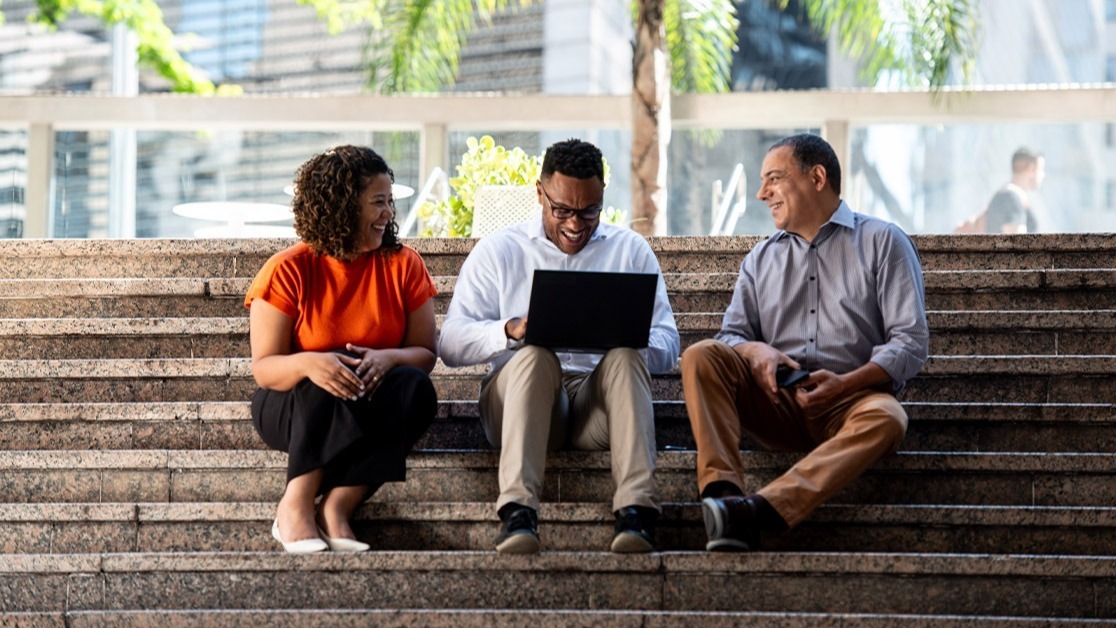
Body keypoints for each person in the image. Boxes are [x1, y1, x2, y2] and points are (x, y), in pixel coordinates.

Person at [681, 133, 928, 551]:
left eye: (774, 179)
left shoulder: (883, 241)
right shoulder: (760, 259)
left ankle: (757, 511)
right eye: (762, 182)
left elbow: (910, 341)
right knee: (702, 355)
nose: (762, 194)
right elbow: (731, 336)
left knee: (889, 419)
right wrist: (755, 350)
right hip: (775, 400)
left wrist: (847, 384)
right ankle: (722, 496)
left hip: (851, 402)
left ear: (817, 177)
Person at [439, 138, 680, 554]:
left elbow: (669, 343)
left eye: (589, 211)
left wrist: (626, 337)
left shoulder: (630, 250)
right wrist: (510, 330)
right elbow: (451, 343)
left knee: (624, 357)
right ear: (539, 193)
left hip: (595, 407)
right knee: (534, 355)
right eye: (562, 210)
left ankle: (636, 513)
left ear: (603, 195)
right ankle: (518, 512)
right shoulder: (499, 250)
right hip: (520, 403)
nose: (575, 224)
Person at [246, 145, 438, 553]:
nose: (389, 213)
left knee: (414, 388)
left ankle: (336, 508)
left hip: (372, 398)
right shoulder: (288, 268)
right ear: (342, 206)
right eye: (378, 203)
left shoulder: (405, 265)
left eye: (391, 202)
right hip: (294, 406)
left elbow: (424, 353)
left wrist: (389, 359)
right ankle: (295, 504)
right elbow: (265, 370)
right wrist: (312, 363)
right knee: (322, 381)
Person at [984, 147, 1044, 234]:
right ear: (1030, 169)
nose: (1043, 175)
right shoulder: (1010, 198)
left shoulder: (1010, 196)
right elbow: (1017, 243)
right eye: (1041, 169)